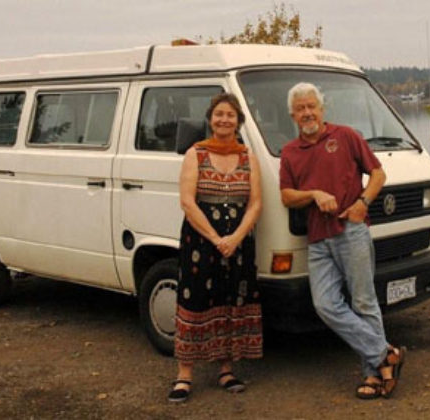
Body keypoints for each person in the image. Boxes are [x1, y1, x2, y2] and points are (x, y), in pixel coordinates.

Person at [279, 82, 406, 399]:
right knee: (325, 305)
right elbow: (286, 196)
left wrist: (362, 203)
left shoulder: (346, 136)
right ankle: (385, 353)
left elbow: (378, 174)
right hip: (318, 238)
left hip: (351, 231)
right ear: (292, 115)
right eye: (301, 108)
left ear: (322, 109)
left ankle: (373, 375)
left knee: (363, 302)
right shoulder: (290, 152)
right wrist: (312, 194)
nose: (307, 112)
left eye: (312, 106)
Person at [169, 93, 263, 403]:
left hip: (238, 241)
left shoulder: (249, 157)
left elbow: (255, 203)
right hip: (200, 241)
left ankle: (226, 369)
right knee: (194, 300)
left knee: (230, 300)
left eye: (230, 115)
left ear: (239, 121)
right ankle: (184, 374)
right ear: (210, 119)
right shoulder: (195, 154)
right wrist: (215, 238)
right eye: (219, 114)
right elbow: (187, 201)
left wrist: (235, 238)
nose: (224, 119)